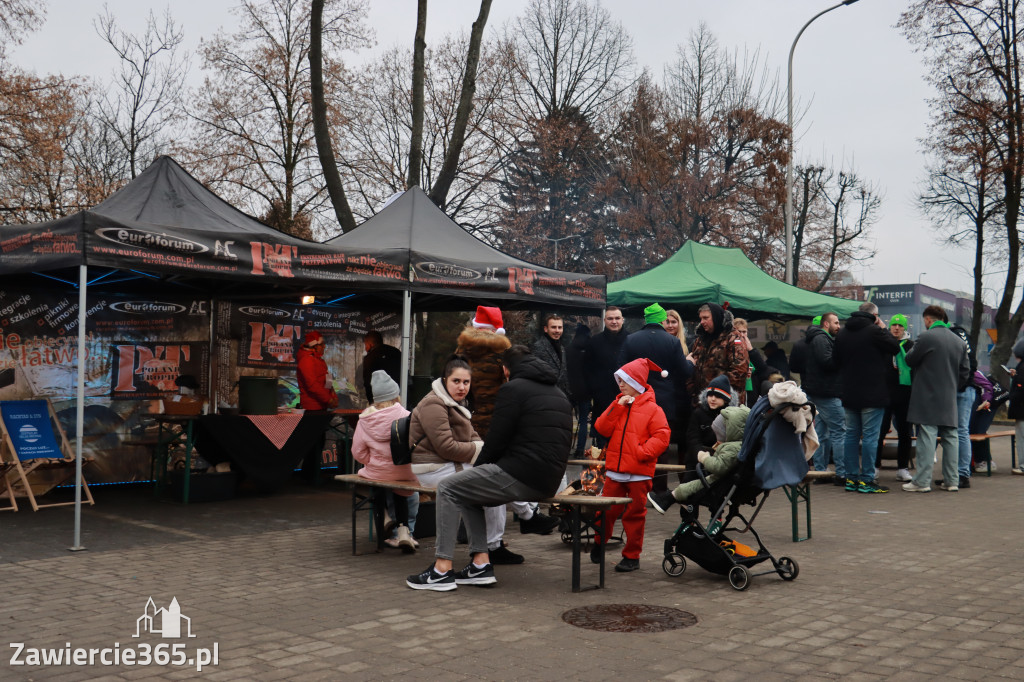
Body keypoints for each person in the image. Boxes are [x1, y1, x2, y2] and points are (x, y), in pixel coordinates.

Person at [405, 345, 571, 591]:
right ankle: (481, 565)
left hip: (523, 474)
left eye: (466, 381)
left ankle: (441, 570)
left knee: (449, 488)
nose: (463, 386)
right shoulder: (558, 393)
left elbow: (496, 439)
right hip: (550, 478)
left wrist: (478, 468)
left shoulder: (513, 389)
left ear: (506, 370)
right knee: (469, 493)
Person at [589, 358, 672, 573]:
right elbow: (601, 427)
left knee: (634, 516)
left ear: (636, 382)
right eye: (619, 380)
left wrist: (643, 452)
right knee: (606, 511)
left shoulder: (654, 409)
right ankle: (599, 541)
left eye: (625, 380)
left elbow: (662, 436)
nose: (620, 384)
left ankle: (631, 556)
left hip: (639, 472)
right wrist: (617, 408)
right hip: (615, 471)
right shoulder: (618, 403)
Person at [618, 303, 692, 492]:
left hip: (638, 400)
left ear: (645, 319)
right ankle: (659, 489)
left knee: (637, 442)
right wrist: (690, 363)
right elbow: (684, 372)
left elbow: (621, 370)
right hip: (665, 401)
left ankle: (638, 486)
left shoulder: (630, 340)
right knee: (660, 444)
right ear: (661, 320)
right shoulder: (673, 342)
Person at [902, 305, 970, 493]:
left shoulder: (926, 337)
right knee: (951, 437)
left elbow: (909, 359)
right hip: (949, 396)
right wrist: (952, 385)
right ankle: (952, 480)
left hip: (926, 396)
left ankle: (922, 482)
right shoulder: (958, 342)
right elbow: (965, 372)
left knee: (927, 437)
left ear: (928, 320)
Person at [834, 302, 899, 493]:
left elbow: (835, 361)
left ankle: (851, 478)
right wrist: (884, 327)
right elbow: (894, 346)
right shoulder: (874, 331)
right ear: (875, 315)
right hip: (873, 392)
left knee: (851, 435)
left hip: (849, 392)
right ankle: (867, 479)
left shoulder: (843, 333)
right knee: (871, 437)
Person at [351, 371, 416, 552]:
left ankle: (385, 519)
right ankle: (403, 531)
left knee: (376, 483)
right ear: (396, 395)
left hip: (378, 471)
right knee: (400, 491)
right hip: (404, 470)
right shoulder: (407, 415)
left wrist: (371, 461)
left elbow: (357, 452)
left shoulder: (365, 419)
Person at [648, 405, 750, 513]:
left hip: (716, 485)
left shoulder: (732, 448)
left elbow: (718, 466)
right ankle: (667, 500)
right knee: (690, 482)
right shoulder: (738, 445)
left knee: (686, 489)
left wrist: (705, 458)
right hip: (721, 483)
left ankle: (666, 501)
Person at [455, 306, 511, 439]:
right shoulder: (503, 353)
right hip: (496, 420)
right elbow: (509, 391)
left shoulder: (462, 350)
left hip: (464, 417)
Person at [802, 312, 844, 485]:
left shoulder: (817, 339)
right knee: (840, 431)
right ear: (826, 324)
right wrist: (842, 358)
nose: (838, 326)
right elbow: (827, 362)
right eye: (835, 322)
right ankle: (842, 473)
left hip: (817, 391)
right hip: (826, 392)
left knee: (821, 433)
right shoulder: (821, 339)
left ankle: (820, 471)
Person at [876, 314, 915, 482]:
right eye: (894, 325)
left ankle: (903, 468)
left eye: (900, 326)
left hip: (904, 394)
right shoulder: (884, 345)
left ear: (905, 328)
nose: (897, 328)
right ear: (890, 327)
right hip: (884, 394)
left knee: (905, 432)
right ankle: (875, 466)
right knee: (880, 431)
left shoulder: (911, 346)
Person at [687, 302, 749, 406]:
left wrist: (714, 393)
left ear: (716, 317)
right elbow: (693, 366)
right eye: (701, 318)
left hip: (725, 403)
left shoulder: (733, 339)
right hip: (701, 403)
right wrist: (693, 392)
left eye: (706, 318)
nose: (702, 322)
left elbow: (739, 373)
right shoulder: (700, 340)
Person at [586, 307, 627, 447]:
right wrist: (594, 391)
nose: (614, 321)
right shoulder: (594, 342)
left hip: (626, 400)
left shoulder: (631, 340)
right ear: (604, 320)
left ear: (622, 319)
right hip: (602, 402)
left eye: (617, 318)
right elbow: (588, 369)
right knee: (602, 445)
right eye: (610, 318)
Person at [683, 374, 735, 482]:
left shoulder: (731, 416)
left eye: (718, 396)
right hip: (698, 458)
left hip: (721, 458)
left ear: (726, 400)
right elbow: (692, 438)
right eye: (710, 395)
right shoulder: (698, 413)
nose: (713, 399)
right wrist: (700, 453)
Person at [948, 314, 978, 488]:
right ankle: (957, 473)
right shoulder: (963, 334)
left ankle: (962, 474)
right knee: (958, 431)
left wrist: (959, 384)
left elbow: (969, 364)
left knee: (960, 431)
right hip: (965, 388)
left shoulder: (956, 334)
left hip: (962, 390)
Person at [566, 322, 592, 457]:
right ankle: (580, 450)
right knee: (583, 421)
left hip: (570, 390)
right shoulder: (590, 349)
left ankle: (565, 448)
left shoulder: (569, 349)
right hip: (586, 391)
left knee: (566, 420)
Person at [296, 331, 337, 410]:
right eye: (321, 344)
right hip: (311, 408)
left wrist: (333, 396)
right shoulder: (306, 361)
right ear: (314, 346)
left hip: (322, 406)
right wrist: (329, 399)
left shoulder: (320, 361)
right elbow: (312, 386)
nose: (324, 346)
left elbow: (328, 381)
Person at [532, 313, 570, 398]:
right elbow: (535, 374)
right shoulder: (538, 347)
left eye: (560, 327)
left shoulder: (562, 348)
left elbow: (564, 375)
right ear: (546, 329)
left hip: (561, 397)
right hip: (546, 397)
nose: (557, 330)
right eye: (553, 327)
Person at [733, 318, 766, 407]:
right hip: (736, 392)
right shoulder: (730, 349)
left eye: (745, 332)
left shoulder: (750, 350)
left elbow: (762, 368)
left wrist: (751, 349)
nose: (743, 335)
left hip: (751, 393)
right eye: (740, 331)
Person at [362, 330, 402, 404]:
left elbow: (368, 382)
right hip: (398, 397)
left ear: (370, 344)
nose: (365, 348)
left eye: (365, 344)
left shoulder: (370, 358)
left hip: (379, 400)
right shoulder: (396, 352)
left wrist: (371, 401)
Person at [788, 315, 821, 380]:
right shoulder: (828, 341)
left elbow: (793, 368)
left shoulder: (798, 343)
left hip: (806, 383)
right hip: (825, 384)